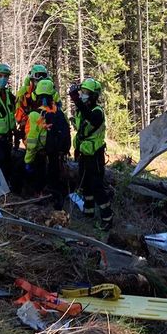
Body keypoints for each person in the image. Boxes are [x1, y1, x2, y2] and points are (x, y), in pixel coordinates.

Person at [23, 78, 70, 206]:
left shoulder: (35, 115)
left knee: (39, 178)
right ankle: (57, 201)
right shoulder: (60, 113)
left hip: (41, 155)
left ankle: (40, 200)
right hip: (56, 155)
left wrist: (28, 161)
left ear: (36, 95)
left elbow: (32, 142)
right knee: (55, 178)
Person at [72, 77, 110, 230]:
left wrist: (77, 100)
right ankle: (88, 212)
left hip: (95, 156)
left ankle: (107, 218)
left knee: (97, 186)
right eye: (82, 91)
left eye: (86, 92)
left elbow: (90, 118)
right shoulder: (82, 110)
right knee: (85, 185)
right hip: (84, 153)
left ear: (94, 95)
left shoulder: (97, 112)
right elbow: (82, 130)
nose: (83, 94)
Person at [15, 63, 50, 138]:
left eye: (43, 76)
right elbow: (19, 115)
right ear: (32, 79)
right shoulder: (24, 93)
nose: (40, 79)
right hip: (30, 129)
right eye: (38, 76)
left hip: (48, 129)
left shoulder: (51, 92)